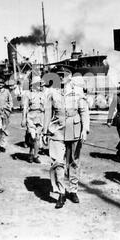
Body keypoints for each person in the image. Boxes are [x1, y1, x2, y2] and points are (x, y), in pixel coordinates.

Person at [43, 65, 90, 209]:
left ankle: (73, 190)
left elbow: (84, 111)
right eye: (58, 74)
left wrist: (85, 129)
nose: (61, 77)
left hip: (74, 129)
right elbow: (48, 113)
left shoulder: (77, 92)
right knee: (57, 161)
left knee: (74, 162)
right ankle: (61, 192)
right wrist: (45, 131)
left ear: (70, 76)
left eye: (63, 74)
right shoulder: (52, 93)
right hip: (57, 129)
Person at [21, 75, 46, 163]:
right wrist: (23, 119)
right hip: (31, 117)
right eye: (38, 84)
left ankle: (34, 155)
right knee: (32, 136)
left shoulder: (43, 94)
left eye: (40, 84)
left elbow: (46, 107)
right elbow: (25, 107)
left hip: (40, 117)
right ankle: (31, 153)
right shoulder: (27, 94)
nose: (40, 86)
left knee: (38, 138)